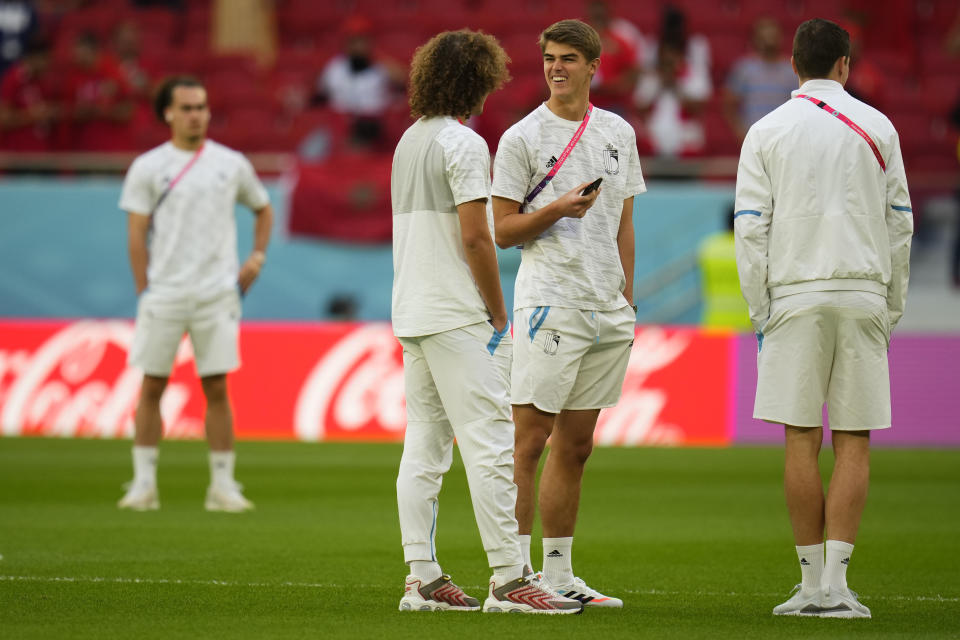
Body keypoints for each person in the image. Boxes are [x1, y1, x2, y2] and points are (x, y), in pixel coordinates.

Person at [392, 30, 581, 615]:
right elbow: (478, 237)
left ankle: (421, 578)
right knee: (491, 442)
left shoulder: (408, 141)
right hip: (454, 313)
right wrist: (498, 310)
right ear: (476, 79)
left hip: (413, 309)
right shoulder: (465, 144)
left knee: (423, 446)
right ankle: (508, 578)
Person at [734, 18, 913, 618]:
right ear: (844, 64)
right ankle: (836, 589)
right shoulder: (879, 126)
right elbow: (900, 224)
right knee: (854, 440)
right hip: (862, 291)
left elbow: (750, 227)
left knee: (800, 440)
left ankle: (810, 587)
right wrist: (892, 304)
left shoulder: (766, 129)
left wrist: (761, 308)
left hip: (793, 296)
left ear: (793, 64)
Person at [491, 19, 645, 608]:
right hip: (550, 301)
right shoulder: (521, 138)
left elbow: (624, 222)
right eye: (550, 58)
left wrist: (627, 296)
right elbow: (502, 231)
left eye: (569, 58)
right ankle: (510, 577)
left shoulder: (618, 132)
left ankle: (556, 575)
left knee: (576, 447)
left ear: (593, 65)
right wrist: (555, 209)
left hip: (607, 307)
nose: (557, 68)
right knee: (530, 441)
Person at [117, 76, 274, 513]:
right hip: (164, 292)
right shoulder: (148, 167)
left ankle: (222, 486)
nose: (195, 115)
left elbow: (262, 206)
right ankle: (143, 483)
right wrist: (143, 287)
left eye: (201, 107)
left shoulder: (230, 163)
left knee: (217, 386)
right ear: (167, 112)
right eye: (186, 107)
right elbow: (136, 231)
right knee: (152, 385)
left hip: (216, 293)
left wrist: (256, 257)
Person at [723, 17, 796, 141]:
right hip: (753, 138)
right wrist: (741, 133)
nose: (769, 41)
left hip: (784, 138)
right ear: (755, 39)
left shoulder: (792, 69)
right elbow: (729, 105)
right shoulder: (744, 68)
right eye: (764, 37)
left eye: (772, 36)